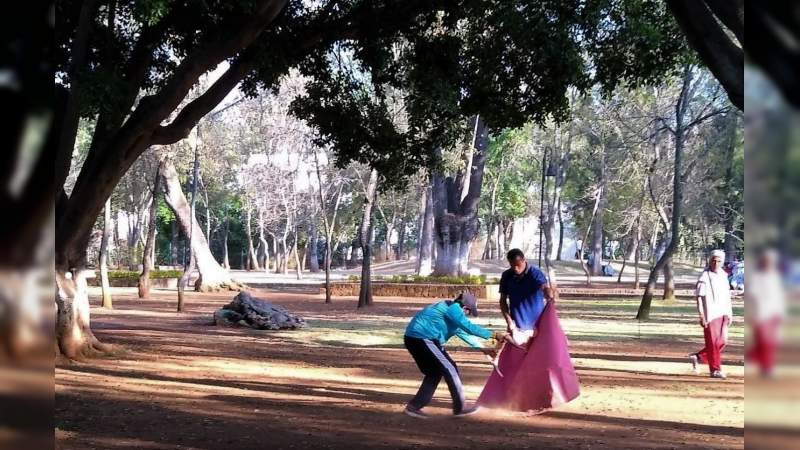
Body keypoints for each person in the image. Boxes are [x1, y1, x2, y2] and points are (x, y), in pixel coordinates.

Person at [477, 249, 580, 412]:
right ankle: (510, 398)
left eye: (517, 265)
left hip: (538, 327)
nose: (515, 269)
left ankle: (545, 398)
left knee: (542, 363)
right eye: (512, 266)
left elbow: (544, 287)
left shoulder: (535, 273)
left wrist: (549, 295)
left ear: (524, 260)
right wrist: (509, 321)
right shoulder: (507, 276)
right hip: (516, 326)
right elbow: (503, 301)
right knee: (512, 363)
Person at [403, 292, 502, 419]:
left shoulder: (452, 315)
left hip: (414, 338)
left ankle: (414, 407)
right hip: (423, 337)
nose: (467, 315)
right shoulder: (453, 308)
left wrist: (484, 349)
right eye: (469, 312)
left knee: (434, 373)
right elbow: (468, 327)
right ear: (465, 308)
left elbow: (465, 334)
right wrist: (494, 335)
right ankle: (459, 408)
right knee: (450, 368)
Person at [690, 250, 734, 379]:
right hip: (710, 314)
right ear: (709, 260)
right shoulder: (704, 276)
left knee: (722, 341)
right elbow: (699, 297)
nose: (716, 263)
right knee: (713, 343)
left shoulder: (724, 276)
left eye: (719, 261)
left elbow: (727, 296)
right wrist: (702, 315)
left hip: (724, 313)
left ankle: (699, 357)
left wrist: (730, 313)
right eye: (713, 260)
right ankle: (715, 370)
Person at [746, 249, 786, 377]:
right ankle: (766, 367)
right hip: (761, 313)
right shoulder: (757, 277)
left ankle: (756, 360)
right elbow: (753, 296)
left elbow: (779, 296)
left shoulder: (775, 276)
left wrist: (781, 313)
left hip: (774, 313)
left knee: (771, 342)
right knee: (764, 342)